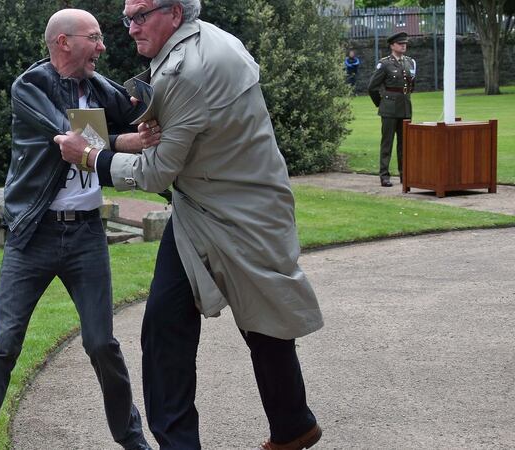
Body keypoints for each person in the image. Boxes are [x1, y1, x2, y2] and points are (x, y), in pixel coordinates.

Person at [55, 1, 323, 449]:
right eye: (127, 18)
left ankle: (293, 428)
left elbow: (157, 173)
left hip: (236, 213)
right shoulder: (204, 43)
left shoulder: (185, 69)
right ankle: (273, 429)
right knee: (168, 326)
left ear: (175, 13)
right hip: (210, 206)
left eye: (141, 16)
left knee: (261, 323)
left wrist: (89, 156)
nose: (130, 29)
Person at [0, 9, 154, 450]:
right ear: (63, 42)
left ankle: (134, 441)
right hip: (33, 236)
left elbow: (139, 111)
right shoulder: (30, 86)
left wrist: (150, 113)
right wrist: (126, 141)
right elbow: (70, 140)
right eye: (95, 38)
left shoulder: (101, 87)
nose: (104, 46)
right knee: (4, 346)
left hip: (86, 236)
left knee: (102, 343)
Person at [368, 32, 416, 187]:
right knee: (387, 143)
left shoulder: (409, 62)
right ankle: (384, 176)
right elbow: (372, 87)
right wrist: (381, 104)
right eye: (400, 43)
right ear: (392, 45)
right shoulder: (385, 64)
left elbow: (411, 85)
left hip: (405, 107)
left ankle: (405, 175)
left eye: (405, 43)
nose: (403, 45)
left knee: (404, 145)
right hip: (389, 109)